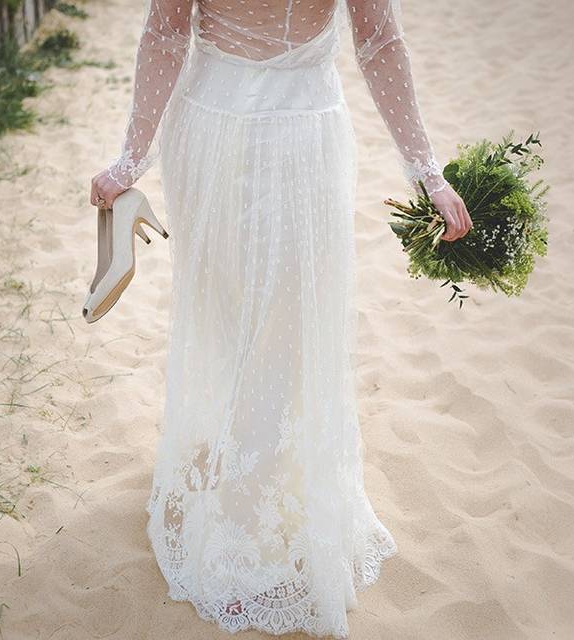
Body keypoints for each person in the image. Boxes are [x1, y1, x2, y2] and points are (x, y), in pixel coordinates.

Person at [88, 0, 471, 636]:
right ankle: (240, 534)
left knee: (278, 330)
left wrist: (428, 174)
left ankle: (242, 511)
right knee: (247, 322)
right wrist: (130, 158)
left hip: (272, 135)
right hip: (246, 133)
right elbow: (375, 42)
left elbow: (167, 33)